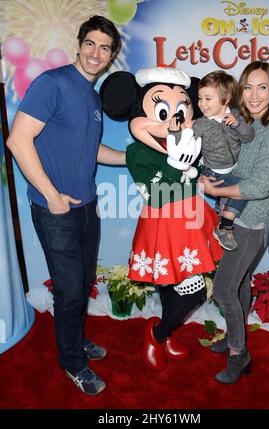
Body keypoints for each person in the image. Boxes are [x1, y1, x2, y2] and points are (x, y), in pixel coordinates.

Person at [6, 15, 125, 395]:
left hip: (87, 207)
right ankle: (72, 361)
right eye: (90, 43)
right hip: (55, 209)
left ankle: (75, 340)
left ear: (111, 56)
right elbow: (18, 141)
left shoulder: (92, 96)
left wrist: (136, 156)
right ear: (79, 43)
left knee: (83, 283)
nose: (96, 53)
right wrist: (53, 196)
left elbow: (94, 152)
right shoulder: (52, 83)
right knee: (71, 290)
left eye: (104, 48)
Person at [100, 66, 223, 371]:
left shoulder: (187, 143)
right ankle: (158, 332)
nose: (175, 118)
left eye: (182, 107)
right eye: (164, 109)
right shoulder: (139, 151)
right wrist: (180, 167)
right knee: (181, 286)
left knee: (181, 285)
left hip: (191, 219)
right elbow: (155, 191)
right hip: (164, 224)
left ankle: (163, 332)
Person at [200, 61, 269, 384]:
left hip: (250, 224)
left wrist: (215, 188)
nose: (254, 95)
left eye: (262, 87)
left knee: (224, 289)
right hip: (231, 217)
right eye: (248, 87)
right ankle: (233, 337)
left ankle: (240, 354)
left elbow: (261, 184)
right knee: (236, 283)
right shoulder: (241, 120)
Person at [168, 70, 255, 251]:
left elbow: (248, 138)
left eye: (208, 98)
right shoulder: (201, 124)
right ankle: (224, 226)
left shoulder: (236, 116)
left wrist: (238, 124)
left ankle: (222, 209)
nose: (201, 104)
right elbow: (186, 147)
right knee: (243, 189)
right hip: (213, 173)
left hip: (234, 169)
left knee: (245, 185)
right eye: (200, 98)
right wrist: (176, 133)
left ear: (226, 98)